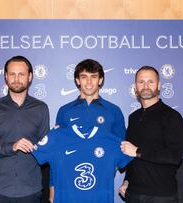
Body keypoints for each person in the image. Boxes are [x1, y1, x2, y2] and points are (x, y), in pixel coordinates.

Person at [49, 58, 127, 202]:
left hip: (101, 188)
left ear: (101, 80)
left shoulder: (113, 111)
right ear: (78, 81)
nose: (89, 82)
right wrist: (53, 186)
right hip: (68, 187)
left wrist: (107, 168)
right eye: (84, 77)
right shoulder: (65, 111)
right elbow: (56, 151)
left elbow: (123, 148)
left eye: (94, 77)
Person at [0, 55, 50, 203]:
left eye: (21, 74)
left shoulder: (41, 108)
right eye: (12, 74)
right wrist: (12, 146)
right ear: (6, 76)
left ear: (30, 77)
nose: (16, 79)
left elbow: (45, 150)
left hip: (30, 191)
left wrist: (55, 138)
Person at [119, 66, 183, 203]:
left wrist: (137, 151)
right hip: (134, 194)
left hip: (161, 196)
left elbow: (174, 157)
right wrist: (127, 181)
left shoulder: (171, 116)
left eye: (151, 81)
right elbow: (131, 157)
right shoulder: (133, 117)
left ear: (159, 85)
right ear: (135, 87)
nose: (145, 86)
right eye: (141, 82)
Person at [32, 125, 132, 203]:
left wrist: (127, 181)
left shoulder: (110, 141)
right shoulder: (56, 137)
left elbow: (132, 160)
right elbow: (36, 155)